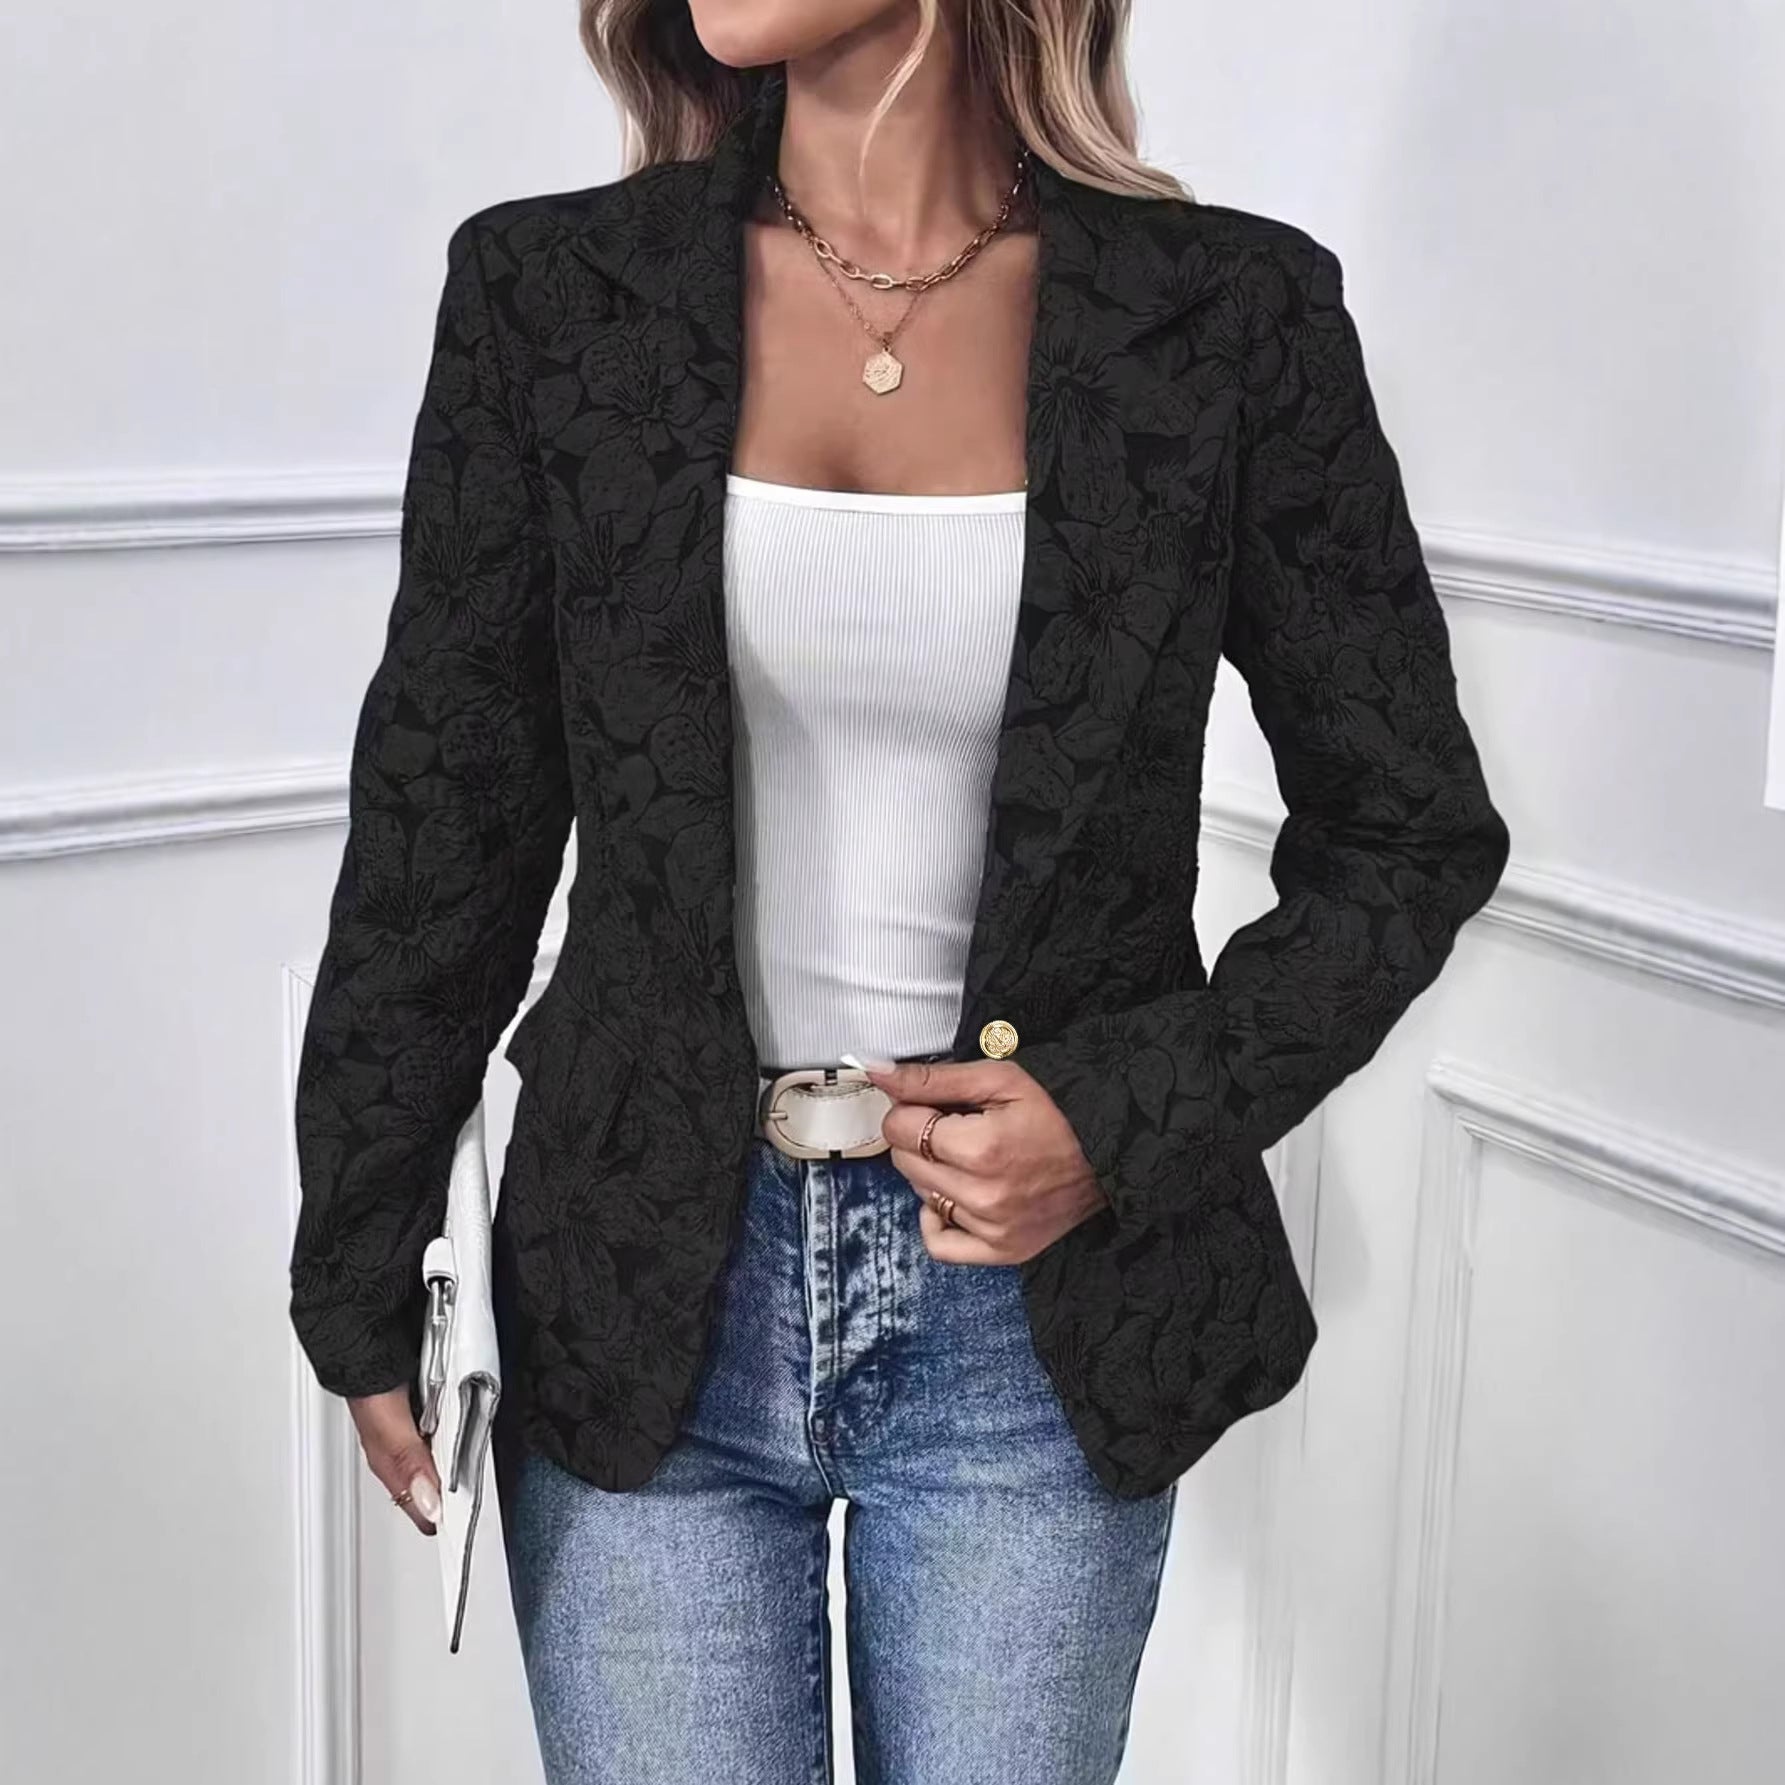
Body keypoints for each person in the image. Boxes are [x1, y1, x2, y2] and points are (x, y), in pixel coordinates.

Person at [288, 3, 1511, 1780]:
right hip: (642, 1281)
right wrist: (357, 1251)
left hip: (1035, 1322)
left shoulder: (1227, 317)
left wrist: (1116, 1115)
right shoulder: (553, 296)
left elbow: (1407, 831)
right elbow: (441, 831)